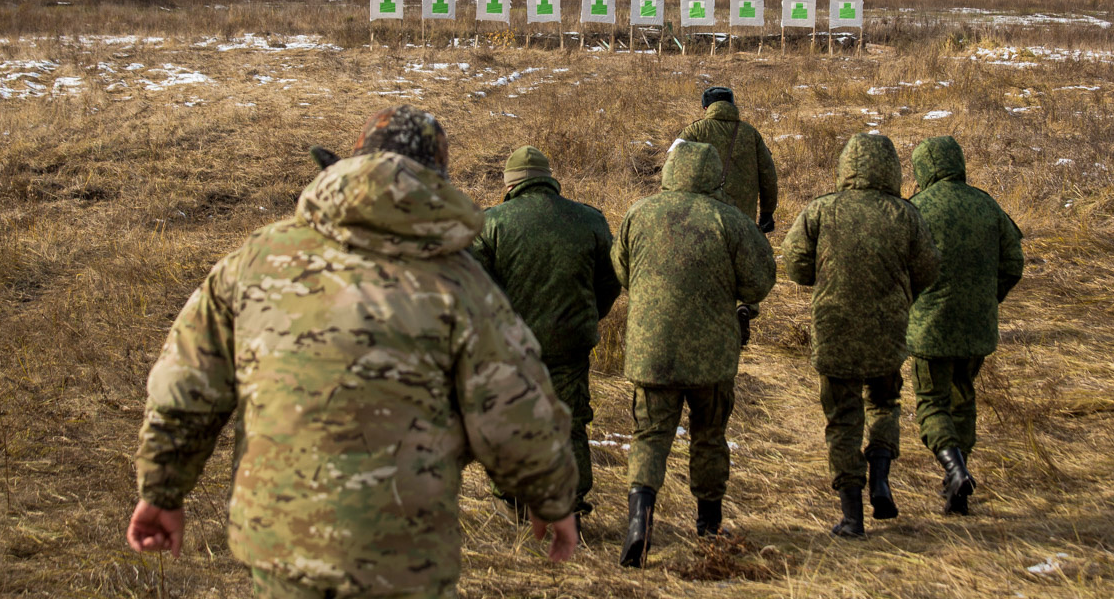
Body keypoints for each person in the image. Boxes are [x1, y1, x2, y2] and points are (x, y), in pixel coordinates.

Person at [127, 105, 579, 599]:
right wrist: (550, 498)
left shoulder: (256, 260)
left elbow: (185, 386)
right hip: (407, 556)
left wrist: (162, 490)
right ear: (433, 183)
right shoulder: (458, 281)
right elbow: (514, 408)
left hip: (280, 547)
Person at [611, 140, 777, 568]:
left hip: (653, 352)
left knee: (649, 435)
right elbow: (759, 282)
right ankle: (709, 528)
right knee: (709, 437)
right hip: (712, 356)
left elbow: (622, 271)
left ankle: (638, 525)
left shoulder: (638, 213)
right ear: (714, 176)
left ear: (669, 170)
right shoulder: (731, 221)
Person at [782, 133, 940, 538]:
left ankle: (852, 516)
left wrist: (826, 276)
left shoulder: (821, 211)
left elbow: (796, 265)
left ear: (845, 166)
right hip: (887, 330)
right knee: (885, 402)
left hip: (834, 328)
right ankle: (881, 477)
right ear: (891, 168)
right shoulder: (905, 214)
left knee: (842, 420)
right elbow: (927, 269)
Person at [469, 144, 618, 523]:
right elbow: (610, 282)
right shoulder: (589, 220)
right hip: (570, 343)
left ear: (510, 184)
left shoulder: (490, 224)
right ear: (549, 178)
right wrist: (588, 317)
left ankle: (511, 502)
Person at [906, 135, 1023, 516]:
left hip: (929, 326)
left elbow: (900, 268)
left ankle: (953, 468)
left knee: (931, 402)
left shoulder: (916, 208)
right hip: (977, 326)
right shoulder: (986, 204)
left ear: (923, 168)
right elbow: (1013, 263)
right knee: (963, 396)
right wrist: (989, 298)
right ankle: (959, 478)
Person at [677, 86, 778, 345]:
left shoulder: (693, 132)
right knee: (744, 261)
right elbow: (768, 176)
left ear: (705, 107)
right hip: (741, 216)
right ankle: (746, 306)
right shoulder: (750, 134)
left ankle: (707, 311)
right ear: (733, 105)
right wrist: (767, 212)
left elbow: (673, 169)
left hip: (701, 213)